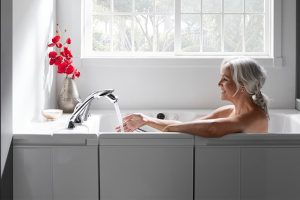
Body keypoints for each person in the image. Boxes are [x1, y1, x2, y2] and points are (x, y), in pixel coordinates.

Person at [116, 57, 269, 137]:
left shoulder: (256, 116)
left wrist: (170, 129)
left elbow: (212, 129)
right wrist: (146, 120)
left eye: (225, 79)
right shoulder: (228, 111)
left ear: (242, 85)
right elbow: (188, 125)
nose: (219, 83)